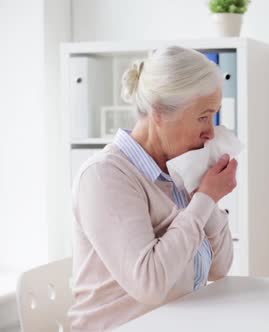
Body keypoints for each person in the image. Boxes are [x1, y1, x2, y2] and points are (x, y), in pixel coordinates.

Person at [68, 46, 236, 330]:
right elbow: (150, 284)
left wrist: (205, 197)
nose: (211, 132)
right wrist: (205, 199)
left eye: (214, 117)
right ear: (159, 113)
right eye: (203, 117)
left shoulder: (178, 170)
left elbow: (220, 269)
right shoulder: (105, 177)